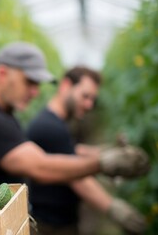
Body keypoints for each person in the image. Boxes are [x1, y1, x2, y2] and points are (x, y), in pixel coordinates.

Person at [0, 42, 149, 187]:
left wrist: (102, 152)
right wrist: (102, 163)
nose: (35, 92)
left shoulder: (5, 115)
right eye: (30, 82)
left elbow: (51, 152)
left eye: (37, 85)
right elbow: (41, 166)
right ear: (3, 74)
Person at [26, 66, 146, 235]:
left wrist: (105, 151)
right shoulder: (50, 127)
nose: (89, 104)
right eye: (85, 96)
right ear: (66, 85)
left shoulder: (55, 122)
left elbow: (71, 151)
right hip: (51, 226)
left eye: (93, 100)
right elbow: (77, 178)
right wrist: (113, 208)